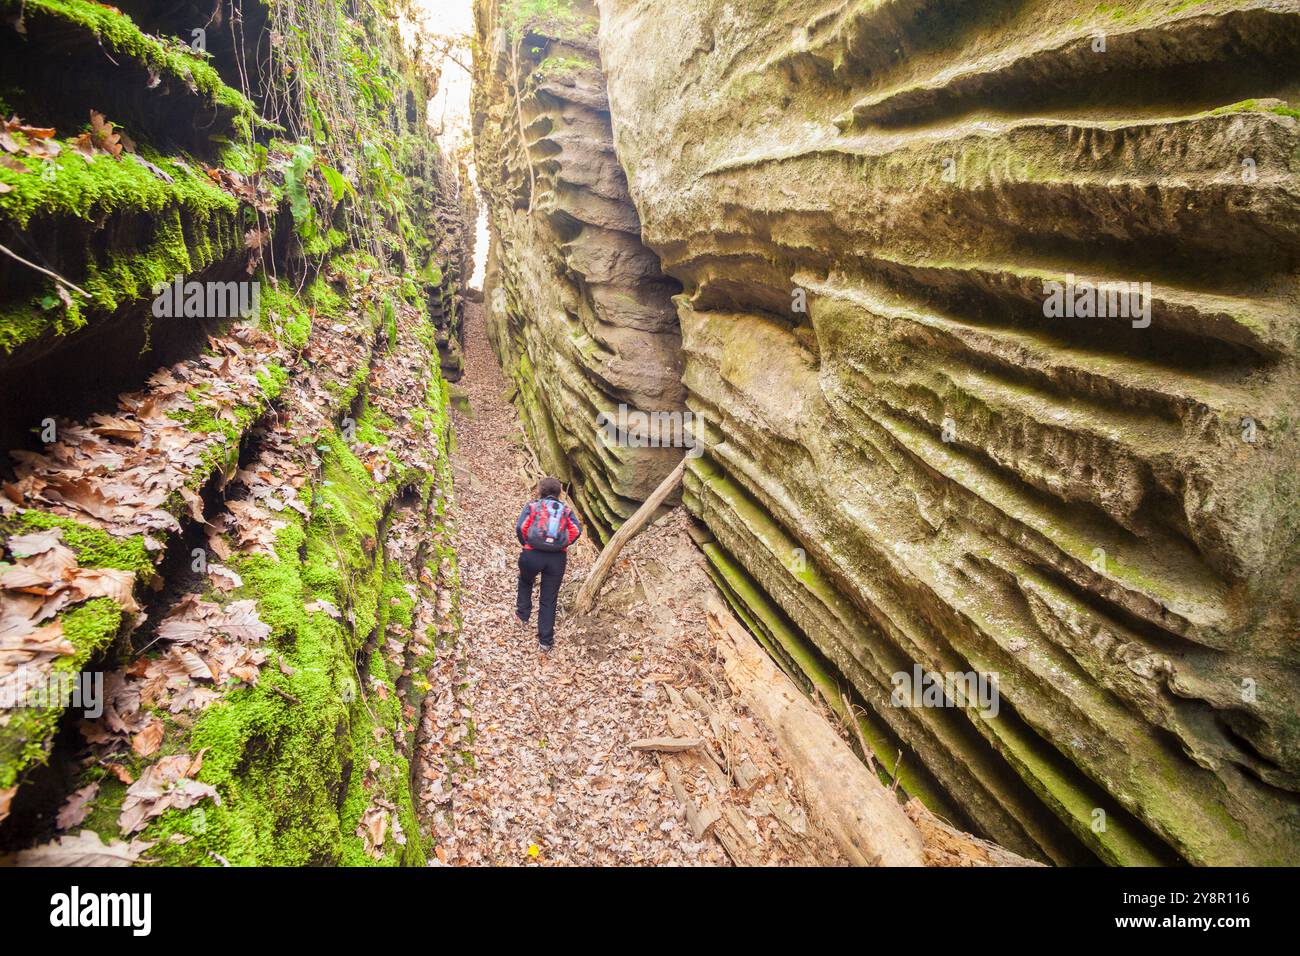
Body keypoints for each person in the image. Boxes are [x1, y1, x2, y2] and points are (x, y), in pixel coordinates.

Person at [515, 477, 583, 652]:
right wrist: (562, 544)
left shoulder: (532, 506)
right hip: (556, 559)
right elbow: (576, 530)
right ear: (559, 493)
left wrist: (527, 543)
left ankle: (522, 616)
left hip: (532, 554)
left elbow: (521, 527)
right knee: (549, 598)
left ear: (540, 491)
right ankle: (545, 641)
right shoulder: (566, 510)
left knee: (525, 581)